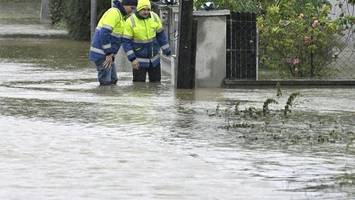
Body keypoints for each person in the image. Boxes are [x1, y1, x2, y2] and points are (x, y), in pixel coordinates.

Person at [89, 0, 137, 86]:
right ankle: (105, 96)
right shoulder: (114, 13)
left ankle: (110, 97)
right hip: (102, 54)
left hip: (107, 55)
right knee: (106, 82)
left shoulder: (122, 17)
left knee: (113, 80)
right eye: (132, 8)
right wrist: (108, 53)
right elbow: (104, 33)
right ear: (125, 5)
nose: (132, 11)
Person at [122, 0, 171, 82]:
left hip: (154, 60)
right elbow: (126, 42)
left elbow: (161, 35)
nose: (146, 12)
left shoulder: (154, 17)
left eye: (148, 9)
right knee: (139, 88)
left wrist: (167, 51)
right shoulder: (130, 21)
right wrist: (132, 59)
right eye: (143, 9)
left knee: (156, 86)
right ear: (138, 9)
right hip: (138, 61)